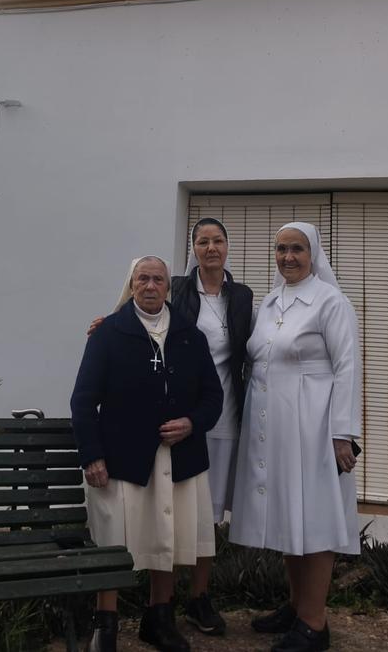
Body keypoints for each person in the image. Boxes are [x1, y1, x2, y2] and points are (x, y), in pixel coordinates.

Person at [71, 256, 223, 652]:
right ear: (132, 284)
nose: (151, 286)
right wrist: (91, 455)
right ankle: (105, 624)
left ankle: (159, 619)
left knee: (167, 537)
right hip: (122, 457)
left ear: (168, 287)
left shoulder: (190, 335)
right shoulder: (108, 333)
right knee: (113, 541)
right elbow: (83, 400)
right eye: (143, 279)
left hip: (179, 456)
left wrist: (191, 422)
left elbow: (213, 396)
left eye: (158, 279)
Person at [229, 223, 362, 652]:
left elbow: (347, 367)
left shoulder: (331, 301)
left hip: (313, 425)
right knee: (290, 512)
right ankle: (296, 605)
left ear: (313, 253)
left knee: (315, 517)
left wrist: (343, 433)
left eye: (297, 249)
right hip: (273, 427)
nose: (288, 257)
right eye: (281, 248)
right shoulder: (270, 302)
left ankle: (314, 623)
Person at [168, 217, 254, 635]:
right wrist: (105, 325)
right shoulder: (178, 289)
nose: (211, 248)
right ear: (194, 249)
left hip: (226, 417)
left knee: (209, 515)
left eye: (217, 240)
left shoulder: (242, 297)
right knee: (174, 509)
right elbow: (140, 312)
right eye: (203, 241)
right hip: (183, 419)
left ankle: (198, 598)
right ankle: (161, 602)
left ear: (227, 246)